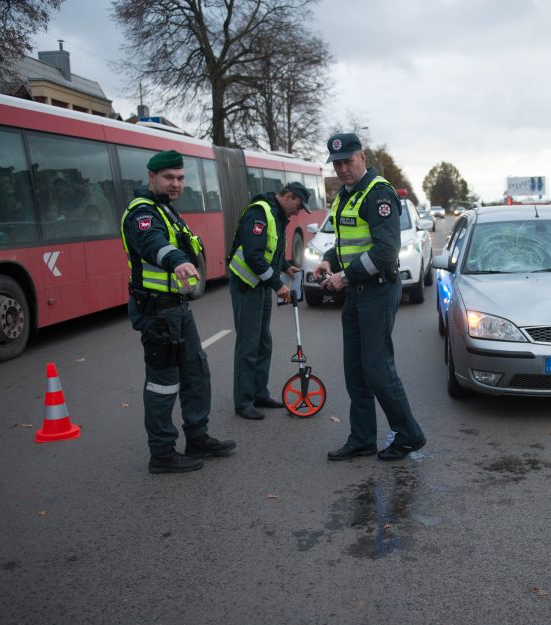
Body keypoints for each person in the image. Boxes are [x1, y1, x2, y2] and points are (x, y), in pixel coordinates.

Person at [120, 150, 236, 474]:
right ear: (152, 177)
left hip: (177, 308)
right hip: (156, 311)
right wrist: (177, 260)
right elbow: (152, 242)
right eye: (169, 177)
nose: (176, 183)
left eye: (181, 178)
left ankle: (197, 437)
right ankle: (162, 453)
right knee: (163, 383)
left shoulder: (167, 209)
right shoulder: (142, 213)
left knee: (196, 371)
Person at [316, 133, 426, 461]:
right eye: (337, 163)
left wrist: (344, 276)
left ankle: (409, 435)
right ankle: (362, 438)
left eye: (348, 161)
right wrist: (329, 261)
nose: (343, 168)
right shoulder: (345, 196)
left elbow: (385, 251)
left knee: (377, 368)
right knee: (355, 370)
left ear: (362, 157)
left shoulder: (377, 193)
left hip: (378, 289)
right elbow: (347, 243)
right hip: (355, 292)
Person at [228, 181, 311, 420]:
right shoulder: (260, 212)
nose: (298, 212)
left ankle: (259, 394)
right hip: (247, 285)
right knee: (249, 344)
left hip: (260, 284)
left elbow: (270, 250)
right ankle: (243, 402)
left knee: (263, 341)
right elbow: (254, 256)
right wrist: (277, 284)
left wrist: (286, 266)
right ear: (288, 196)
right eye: (298, 205)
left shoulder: (276, 214)